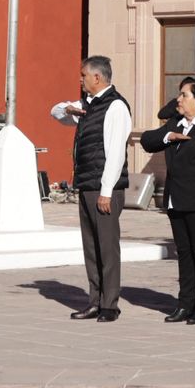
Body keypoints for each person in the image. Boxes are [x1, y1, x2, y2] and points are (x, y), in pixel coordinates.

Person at [140, 79, 195, 324]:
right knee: (184, 255)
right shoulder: (176, 124)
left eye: (183, 95)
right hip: (176, 202)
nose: (178, 99)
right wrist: (169, 136)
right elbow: (148, 140)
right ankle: (185, 304)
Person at [50, 55, 132, 322]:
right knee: (91, 248)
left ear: (97, 77)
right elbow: (56, 112)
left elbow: (115, 153)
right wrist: (68, 110)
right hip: (87, 184)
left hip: (104, 188)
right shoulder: (88, 105)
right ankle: (95, 301)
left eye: (83, 75)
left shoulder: (115, 106)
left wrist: (106, 191)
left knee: (107, 248)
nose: (80, 79)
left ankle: (110, 305)